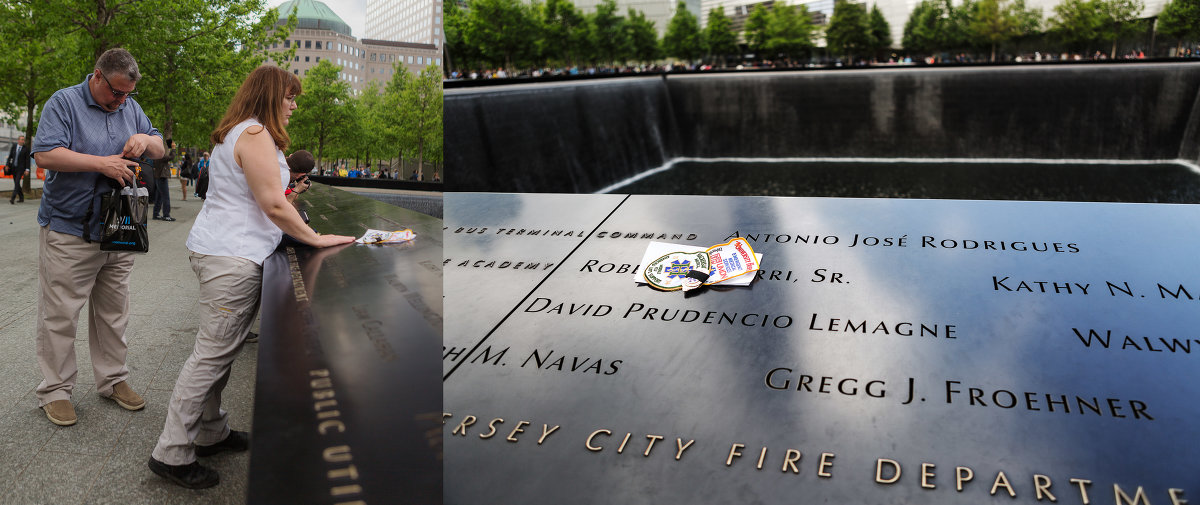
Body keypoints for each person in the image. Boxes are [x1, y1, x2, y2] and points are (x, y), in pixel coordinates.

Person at [149, 65, 354, 489]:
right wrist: (315, 238)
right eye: (290, 97)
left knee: (219, 350)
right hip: (233, 256)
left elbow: (260, 196)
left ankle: (211, 431)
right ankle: (171, 452)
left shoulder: (238, 131)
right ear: (270, 96)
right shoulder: (256, 135)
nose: (295, 105)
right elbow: (271, 206)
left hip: (221, 248)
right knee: (210, 355)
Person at [30, 48, 164, 427]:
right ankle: (55, 390)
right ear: (98, 76)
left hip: (119, 225)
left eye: (128, 95)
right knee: (60, 313)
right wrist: (101, 163)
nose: (121, 101)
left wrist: (143, 138)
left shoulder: (130, 108)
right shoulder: (64, 102)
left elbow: (160, 146)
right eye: (116, 93)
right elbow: (45, 155)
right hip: (71, 227)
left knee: (113, 310)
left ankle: (113, 379)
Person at [153, 139, 175, 221]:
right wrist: (173, 148)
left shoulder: (155, 155)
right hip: (162, 178)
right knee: (166, 197)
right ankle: (166, 215)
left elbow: (167, 157)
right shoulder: (160, 155)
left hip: (158, 177)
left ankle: (156, 214)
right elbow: (171, 157)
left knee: (159, 197)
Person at [6, 134, 31, 203]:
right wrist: (7, 165)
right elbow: (10, 157)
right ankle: (21, 197)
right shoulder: (14, 146)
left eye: (24, 140)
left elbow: (27, 160)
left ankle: (12, 198)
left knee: (17, 182)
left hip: (21, 169)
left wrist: (27, 169)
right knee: (17, 184)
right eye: (22, 139)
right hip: (13, 168)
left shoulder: (26, 149)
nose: (23, 141)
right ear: (18, 140)